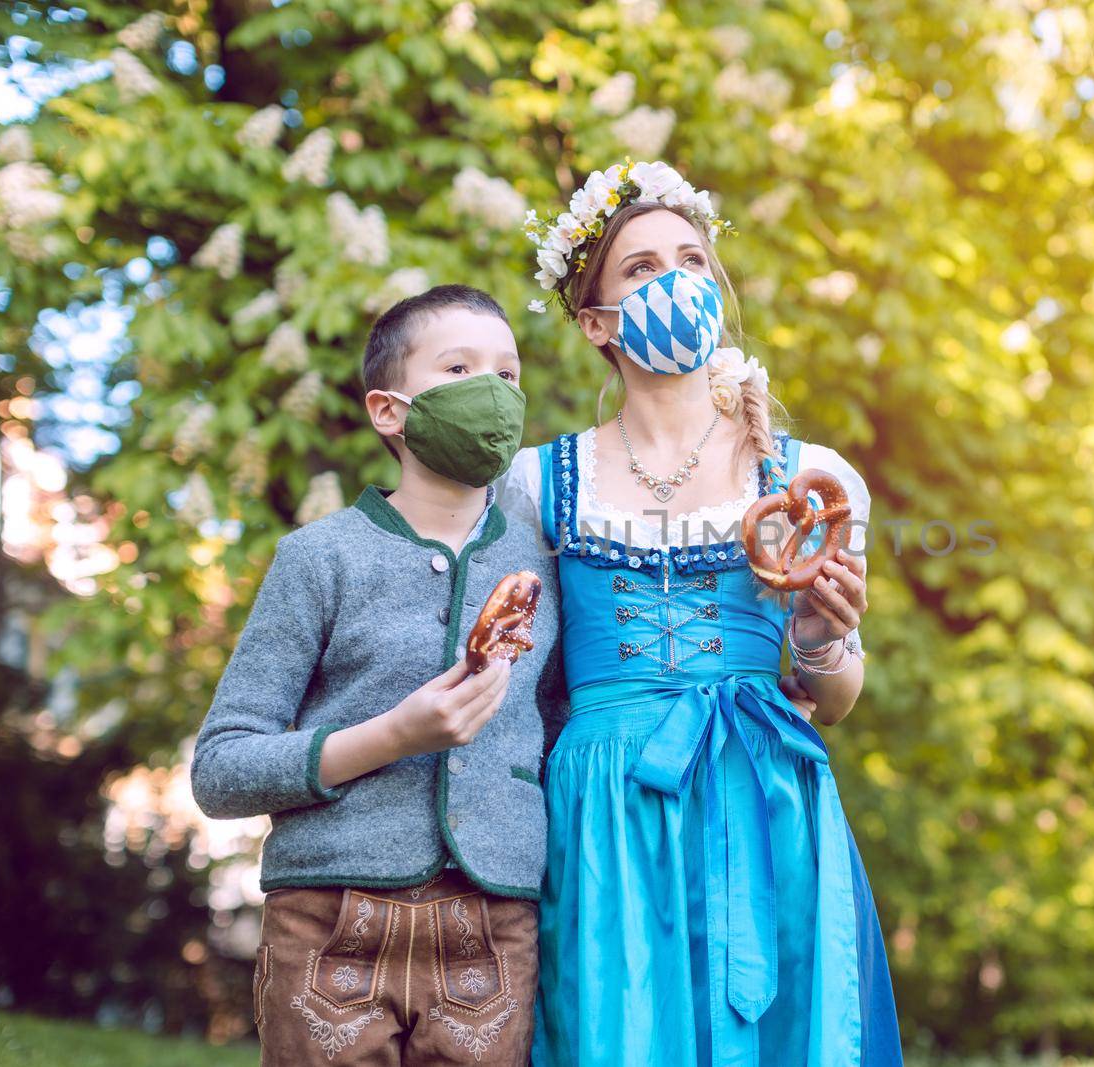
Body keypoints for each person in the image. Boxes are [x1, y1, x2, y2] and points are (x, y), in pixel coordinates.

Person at [501, 161, 903, 1065]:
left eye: (690, 258)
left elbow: (833, 700)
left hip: (764, 794)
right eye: (641, 269)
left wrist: (820, 635)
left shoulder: (814, 480)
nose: (674, 279)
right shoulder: (536, 482)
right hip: (606, 807)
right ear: (594, 321)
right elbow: (519, 680)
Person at [191, 284, 567, 1066]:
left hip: (492, 925)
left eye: (507, 374)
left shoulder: (552, 564)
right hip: (330, 917)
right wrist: (391, 736)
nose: (492, 395)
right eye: (459, 367)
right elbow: (221, 769)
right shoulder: (319, 557)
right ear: (388, 410)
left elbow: (563, 732)